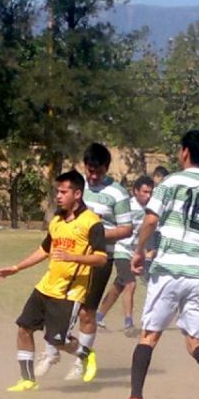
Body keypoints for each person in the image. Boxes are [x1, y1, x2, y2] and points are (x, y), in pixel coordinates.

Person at [0, 170, 108, 392]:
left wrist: (73, 257)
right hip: (45, 287)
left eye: (63, 192)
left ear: (77, 194)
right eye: (57, 191)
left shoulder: (92, 222)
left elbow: (102, 258)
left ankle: (86, 354)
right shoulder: (57, 220)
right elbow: (44, 250)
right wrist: (17, 268)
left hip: (69, 292)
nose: (58, 195)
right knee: (23, 328)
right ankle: (27, 379)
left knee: (57, 340)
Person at [126, 130, 199, 399]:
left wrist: (139, 249)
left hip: (169, 269)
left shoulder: (170, 182)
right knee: (196, 341)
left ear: (185, 152)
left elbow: (151, 219)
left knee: (149, 336)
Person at [59, 143, 133, 381]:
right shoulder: (77, 186)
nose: (93, 176)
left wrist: (97, 233)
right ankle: (51, 353)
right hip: (69, 256)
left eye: (98, 171)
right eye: (89, 170)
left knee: (86, 312)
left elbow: (126, 229)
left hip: (100, 259)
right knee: (58, 306)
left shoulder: (118, 193)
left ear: (106, 168)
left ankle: (81, 361)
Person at [96, 176, 155, 337]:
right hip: (121, 249)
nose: (148, 195)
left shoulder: (152, 209)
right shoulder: (126, 206)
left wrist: (149, 250)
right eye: (144, 192)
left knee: (119, 286)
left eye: (150, 192)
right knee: (130, 284)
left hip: (136, 253)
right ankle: (129, 324)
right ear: (135, 191)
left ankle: (98, 317)